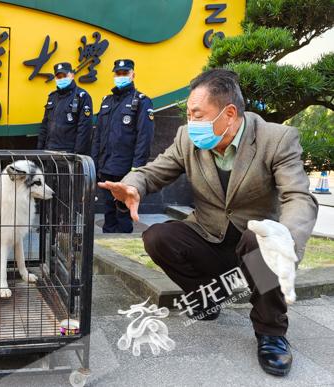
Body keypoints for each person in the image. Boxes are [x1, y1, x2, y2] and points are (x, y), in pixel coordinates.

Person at [99, 69, 318, 376]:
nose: (191, 123)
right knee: (158, 238)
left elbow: (299, 196)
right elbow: (154, 170)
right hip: (208, 234)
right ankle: (208, 299)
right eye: (188, 114)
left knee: (265, 240)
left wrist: (287, 237)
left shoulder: (276, 139)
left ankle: (271, 332)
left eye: (197, 114)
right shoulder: (187, 139)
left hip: (254, 242)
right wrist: (134, 185)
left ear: (229, 113)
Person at [92, 59, 154, 233]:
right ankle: (108, 248)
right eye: (118, 73)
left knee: (123, 213)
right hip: (106, 168)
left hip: (126, 169)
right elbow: (97, 137)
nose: (120, 77)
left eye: (124, 73)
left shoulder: (141, 101)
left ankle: (121, 245)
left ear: (132, 74)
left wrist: (136, 169)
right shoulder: (107, 101)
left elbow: (144, 138)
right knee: (108, 212)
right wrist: (95, 164)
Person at [37, 62, 93, 155]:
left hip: (69, 153)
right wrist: (39, 150)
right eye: (59, 77)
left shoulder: (82, 96)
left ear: (72, 75)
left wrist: (77, 154)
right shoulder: (52, 97)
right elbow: (45, 125)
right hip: (49, 151)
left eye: (64, 75)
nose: (61, 79)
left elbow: (84, 129)